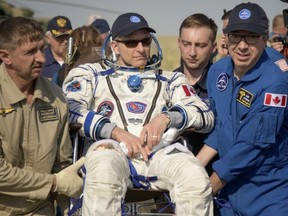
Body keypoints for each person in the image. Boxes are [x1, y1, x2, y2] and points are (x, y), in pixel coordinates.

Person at [63, 12, 214, 215]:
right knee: (103, 175)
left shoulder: (169, 79)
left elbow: (204, 113)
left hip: (158, 152)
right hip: (110, 149)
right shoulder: (90, 74)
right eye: (131, 43)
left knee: (195, 177)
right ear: (114, 46)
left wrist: (166, 118)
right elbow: (70, 108)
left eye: (145, 41)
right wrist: (115, 132)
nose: (141, 48)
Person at [197, 2, 288, 215]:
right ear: (226, 37)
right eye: (236, 36)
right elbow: (221, 127)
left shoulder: (275, 82)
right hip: (229, 197)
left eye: (252, 37)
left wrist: (208, 188)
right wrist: (191, 167)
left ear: (265, 39)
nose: (242, 45)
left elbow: (252, 144)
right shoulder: (218, 71)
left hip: (267, 194)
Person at [0, 16, 84, 215]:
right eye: (30, 52)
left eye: (41, 48)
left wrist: (68, 208)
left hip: (40, 209)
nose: (41, 58)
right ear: (5, 56)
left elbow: (62, 165)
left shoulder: (56, 96)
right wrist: (54, 183)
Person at [173, 13, 218, 175]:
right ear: (179, 43)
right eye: (186, 44)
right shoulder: (167, 83)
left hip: (212, 178)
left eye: (200, 45)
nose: (192, 52)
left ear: (213, 47)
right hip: (171, 178)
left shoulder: (224, 84)